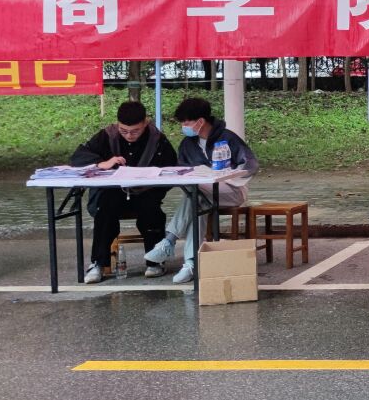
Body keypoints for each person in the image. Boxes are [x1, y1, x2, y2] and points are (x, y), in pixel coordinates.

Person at [143, 97, 259, 284]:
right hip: (203, 195)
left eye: (186, 122)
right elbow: (182, 170)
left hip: (232, 192)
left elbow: (250, 165)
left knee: (195, 194)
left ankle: (169, 240)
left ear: (200, 121)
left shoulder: (227, 138)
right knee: (196, 202)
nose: (183, 126)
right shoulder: (187, 144)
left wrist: (227, 174)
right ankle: (191, 263)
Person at [70, 100, 177, 283]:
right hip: (113, 192)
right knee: (104, 211)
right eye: (124, 130)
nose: (129, 135)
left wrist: (151, 182)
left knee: (152, 212)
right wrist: (102, 163)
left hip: (145, 192)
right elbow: (78, 157)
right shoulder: (107, 135)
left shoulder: (157, 139)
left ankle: (155, 261)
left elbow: (171, 167)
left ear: (145, 122)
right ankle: (98, 263)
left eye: (135, 131)